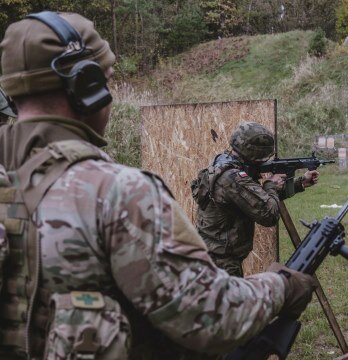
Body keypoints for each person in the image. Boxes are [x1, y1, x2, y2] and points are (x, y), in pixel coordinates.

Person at [0, 11, 316, 360]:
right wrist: (282, 285)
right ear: (85, 86)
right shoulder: (118, 194)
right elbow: (211, 317)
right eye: (105, 81)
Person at [192, 122, 319, 277]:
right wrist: (270, 185)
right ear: (255, 154)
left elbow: (254, 200)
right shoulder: (234, 178)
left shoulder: (224, 162)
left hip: (213, 255)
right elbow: (269, 214)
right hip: (220, 263)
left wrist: (300, 183)